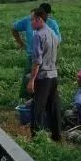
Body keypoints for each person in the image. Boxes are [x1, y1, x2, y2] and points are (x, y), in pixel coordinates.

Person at [12, 3, 61, 97]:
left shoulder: (52, 24)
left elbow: (57, 41)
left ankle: (42, 99)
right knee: (28, 80)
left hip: (47, 58)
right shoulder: (28, 20)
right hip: (32, 57)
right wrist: (21, 43)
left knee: (45, 82)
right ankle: (26, 101)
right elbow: (14, 28)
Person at [27, 8, 61, 141]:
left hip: (43, 76)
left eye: (32, 20)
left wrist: (32, 80)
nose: (31, 23)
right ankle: (57, 135)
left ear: (39, 19)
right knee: (53, 106)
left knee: (38, 107)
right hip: (53, 75)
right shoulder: (52, 33)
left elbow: (37, 61)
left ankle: (36, 138)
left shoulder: (38, 35)